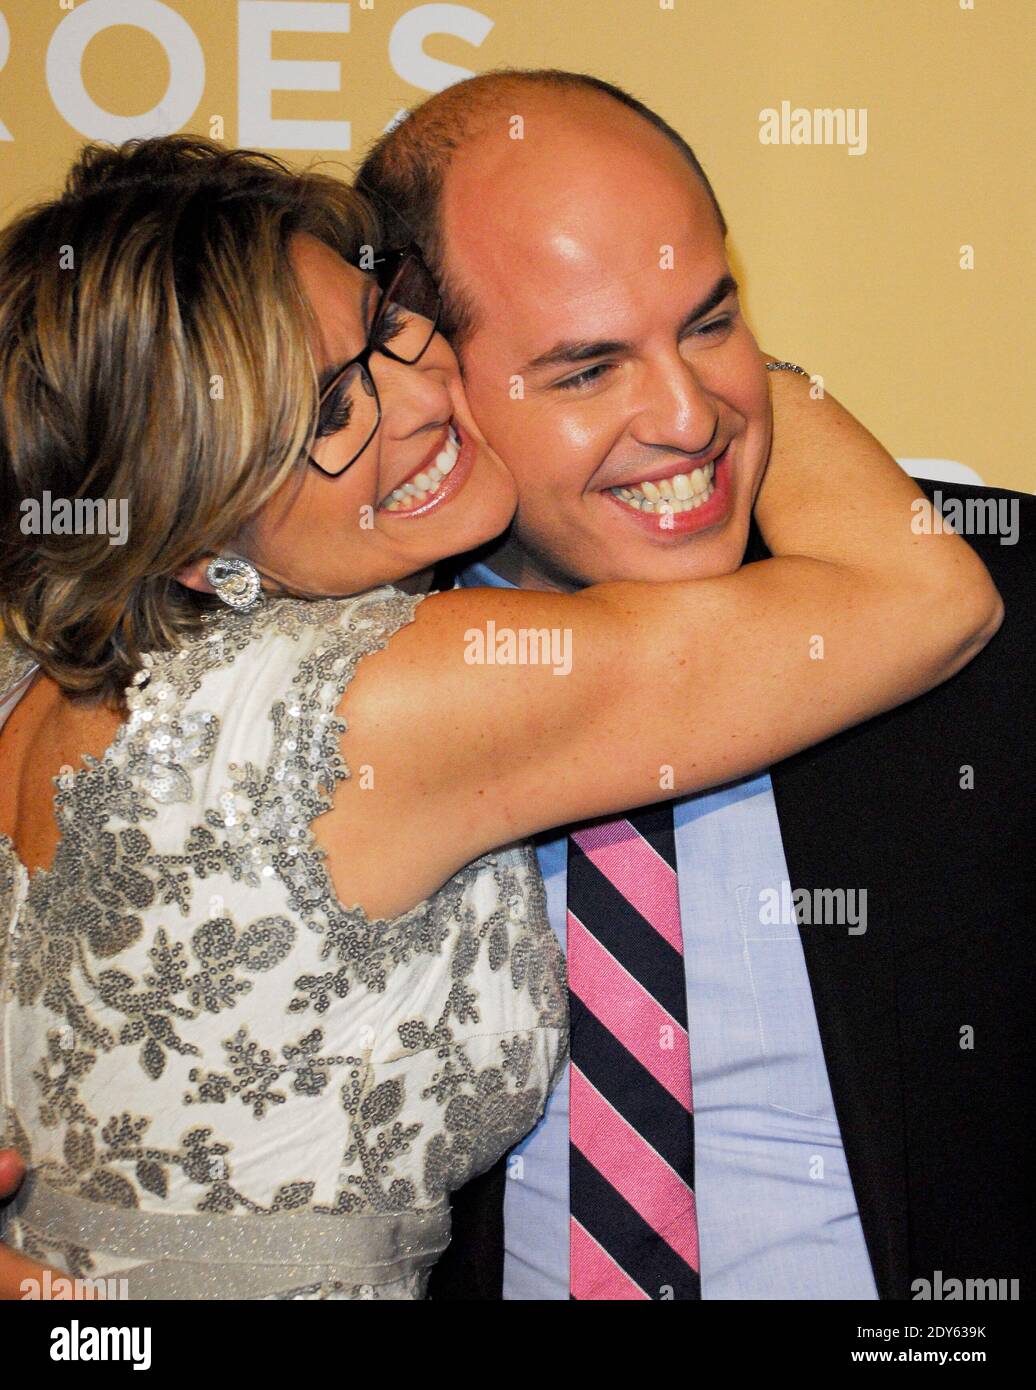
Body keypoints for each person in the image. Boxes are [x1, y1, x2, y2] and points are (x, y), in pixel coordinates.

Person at [0, 135, 1000, 1301]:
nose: (422, 400)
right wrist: (689, 355)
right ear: (189, 530)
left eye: (385, 325)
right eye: (324, 415)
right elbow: (923, 593)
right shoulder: (373, 694)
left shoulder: (36, 682)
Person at [357, 68, 1035, 1301]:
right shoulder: (311, 690)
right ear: (431, 384)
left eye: (709, 323)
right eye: (585, 369)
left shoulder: (966, 612)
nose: (687, 416)